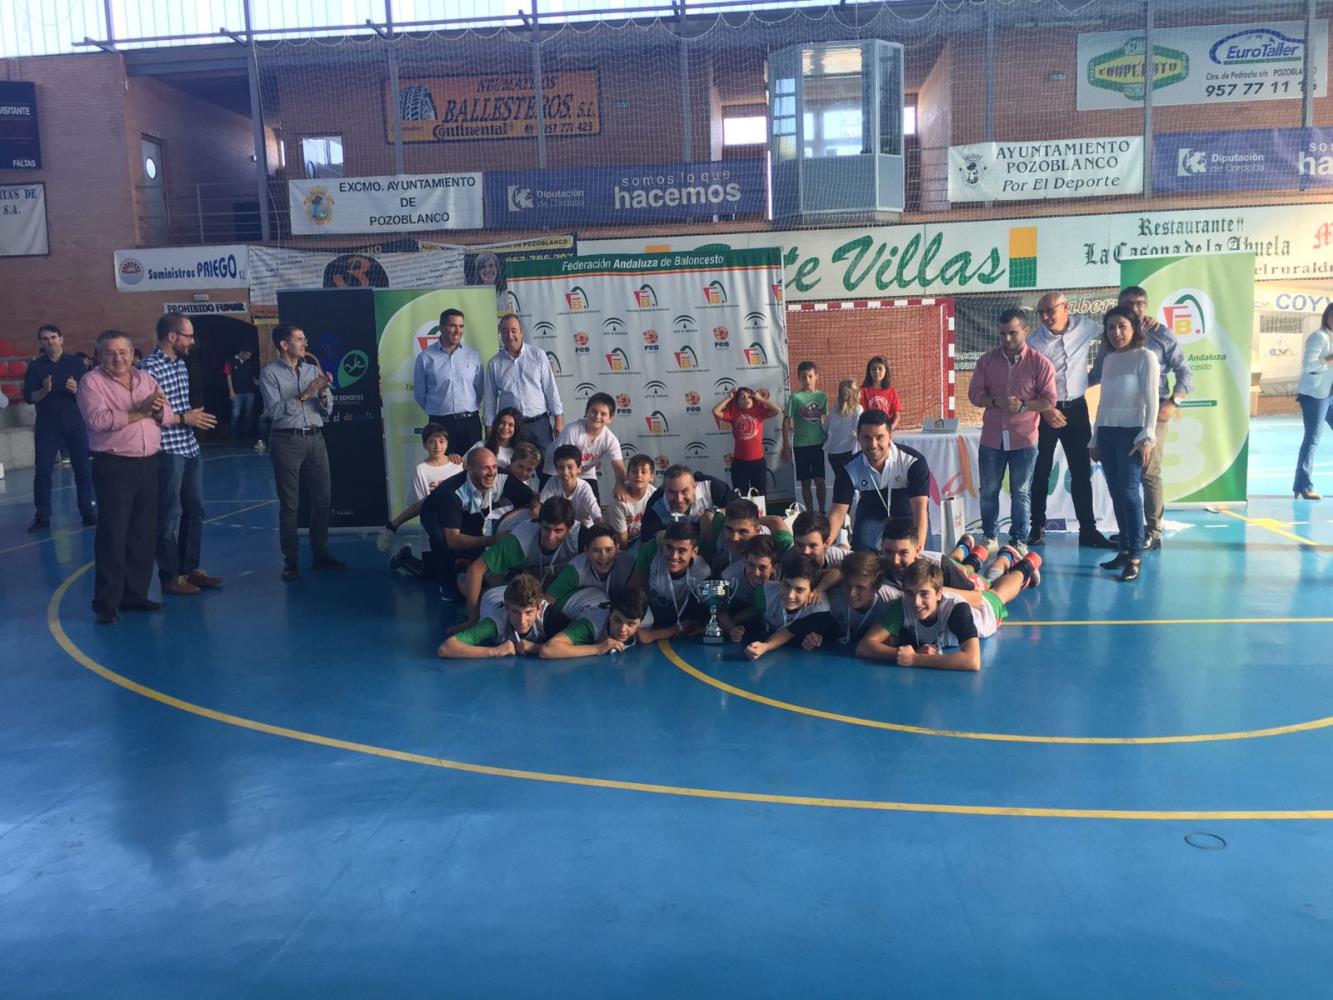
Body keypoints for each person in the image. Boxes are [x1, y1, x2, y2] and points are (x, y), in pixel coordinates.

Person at [77, 330, 177, 624]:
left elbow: (167, 414)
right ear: (99, 356)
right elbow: (99, 421)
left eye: (123, 352)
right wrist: (141, 411)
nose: (118, 358)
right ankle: (107, 603)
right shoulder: (91, 382)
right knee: (113, 534)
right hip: (115, 465)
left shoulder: (146, 379)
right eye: (110, 353)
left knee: (143, 535)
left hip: (149, 462)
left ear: (133, 354)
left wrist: (158, 412)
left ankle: (135, 595)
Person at [1091, 286, 1193, 551]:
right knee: (1121, 484)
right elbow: (1098, 376)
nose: (1134, 308)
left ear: (1145, 306)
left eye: (1138, 304)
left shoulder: (1160, 336)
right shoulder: (1110, 343)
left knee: (1149, 472)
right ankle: (1130, 535)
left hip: (1153, 412)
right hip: (1118, 418)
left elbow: (1185, 373)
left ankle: (1152, 532)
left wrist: (1174, 401)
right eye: (1128, 304)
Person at [138, 313, 222, 596]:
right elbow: (150, 412)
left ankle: (189, 568)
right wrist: (187, 419)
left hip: (188, 447)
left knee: (195, 509)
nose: (192, 341)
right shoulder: (148, 369)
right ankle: (170, 575)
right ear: (172, 336)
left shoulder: (182, 365)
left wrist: (188, 421)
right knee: (169, 514)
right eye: (188, 335)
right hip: (167, 449)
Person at [1026, 292, 1115, 548]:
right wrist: (1045, 410)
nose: (1045, 317)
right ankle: (1036, 527)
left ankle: (1088, 530)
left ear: (1066, 308)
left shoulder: (1085, 326)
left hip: (1077, 409)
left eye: (1050, 310)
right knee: (1040, 471)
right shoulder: (1034, 342)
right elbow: (1028, 383)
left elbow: (1113, 331)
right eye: (1040, 312)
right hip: (1045, 412)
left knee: (1080, 471)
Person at [258, 324, 345, 581]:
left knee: (323, 499)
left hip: (316, 438)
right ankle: (291, 560)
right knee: (290, 504)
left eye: (304, 339)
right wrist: (305, 395)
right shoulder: (270, 374)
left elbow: (328, 409)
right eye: (299, 339)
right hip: (287, 441)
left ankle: (321, 554)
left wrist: (324, 394)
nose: (304, 343)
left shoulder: (311, 370)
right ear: (284, 344)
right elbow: (273, 412)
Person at [966, 307, 1057, 552]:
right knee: (989, 491)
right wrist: (996, 401)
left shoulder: (1040, 364)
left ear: (1026, 331)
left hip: (1025, 440)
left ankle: (1018, 540)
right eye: (1003, 334)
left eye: (1013, 333)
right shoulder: (986, 361)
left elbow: (1049, 400)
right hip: (992, 439)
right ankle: (989, 537)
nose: (1007, 339)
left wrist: (1024, 405)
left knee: (1021, 492)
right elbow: (974, 395)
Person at [857, 554, 1038, 671]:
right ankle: (990, 556)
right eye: (910, 593)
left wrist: (915, 659)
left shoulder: (956, 610)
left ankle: (1026, 565)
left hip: (985, 611)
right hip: (960, 597)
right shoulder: (903, 605)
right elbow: (864, 646)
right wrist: (899, 652)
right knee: (986, 579)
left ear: (938, 594)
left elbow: (972, 661)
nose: (916, 602)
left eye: (924, 594)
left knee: (998, 593)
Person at [1089, 306, 1159, 582]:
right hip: (1107, 432)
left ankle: (1135, 556)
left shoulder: (1146, 357)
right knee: (1116, 494)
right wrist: (1095, 437)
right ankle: (1124, 549)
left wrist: (1147, 436)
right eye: (1111, 328)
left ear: (1134, 328)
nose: (1116, 333)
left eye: (1122, 327)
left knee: (1130, 493)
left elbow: (1153, 400)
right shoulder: (1108, 360)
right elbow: (1104, 401)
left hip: (1132, 435)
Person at [414, 446, 536, 597]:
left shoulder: (502, 478)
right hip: (434, 513)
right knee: (442, 543)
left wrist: (536, 509)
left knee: (474, 545)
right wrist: (494, 540)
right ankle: (443, 579)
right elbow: (453, 539)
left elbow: (533, 499)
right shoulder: (452, 493)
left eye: (494, 467)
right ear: (469, 469)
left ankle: (469, 567)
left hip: (466, 512)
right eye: (485, 468)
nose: (492, 473)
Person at [460, 496, 583, 626]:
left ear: (569, 529)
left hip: (536, 566)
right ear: (539, 524)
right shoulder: (520, 540)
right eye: (546, 528)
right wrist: (473, 618)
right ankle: (462, 572)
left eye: (558, 530)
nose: (551, 537)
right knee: (474, 582)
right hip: (506, 525)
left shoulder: (580, 536)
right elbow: (476, 569)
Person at [21, 323, 96, 531]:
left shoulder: (76, 364)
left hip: (75, 424)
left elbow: (89, 396)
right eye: (45, 339)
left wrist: (77, 389)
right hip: (47, 427)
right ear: (41, 343)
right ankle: (42, 516)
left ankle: (88, 512)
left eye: (53, 337)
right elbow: (29, 398)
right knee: (43, 471)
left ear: (61, 339)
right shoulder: (36, 367)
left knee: (82, 470)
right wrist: (44, 390)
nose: (50, 341)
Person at [828, 410, 930, 553]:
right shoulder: (848, 468)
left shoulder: (913, 462)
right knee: (863, 563)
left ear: (890, 437)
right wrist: (825, 544)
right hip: (870, 514)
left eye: (879, 437)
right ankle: (843, 542)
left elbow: (920, 510)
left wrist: (918, 548)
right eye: (867, 438)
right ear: (858, 438)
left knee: (915, 560)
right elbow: (838, 512)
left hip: (906, 514)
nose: (873, 444)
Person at [382, 423, 464, 577]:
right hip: (432, 531)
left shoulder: (458, 466)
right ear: (424, 445)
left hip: (456, 527)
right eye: (432, 442)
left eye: (441, 441)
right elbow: (421, 506)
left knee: (454, 568)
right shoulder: (421, 470)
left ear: (447, 443)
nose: (437, 446)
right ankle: (404, 558)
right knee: (429, 575)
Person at [483, 313, 563, 454]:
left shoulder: (538, 355)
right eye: (505, 331)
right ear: (500, 334)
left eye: (514, 330)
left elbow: (551, 389)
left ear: (521, 332)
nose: (510, 335)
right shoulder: (494, 363)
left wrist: (558, 420)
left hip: (540, 424)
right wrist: (489, 430)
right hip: (511, 428)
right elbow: (490, 401)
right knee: (515, 470)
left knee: (546, 469)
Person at [437, 573, 568, 660]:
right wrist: (495, 651)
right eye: (516, 612)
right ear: (507, 608)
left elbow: (582, 638)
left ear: (539, 608)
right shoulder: (493, 623)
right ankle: (461, 572)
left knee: (496, 580)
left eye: (528, 613)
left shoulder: (549, 615)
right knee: (467, 589)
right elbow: (445, 648)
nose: (522, 621)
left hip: (505, 591)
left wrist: (536, 647)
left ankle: (490, 575)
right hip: (488, 596)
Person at [413, 308, 484, 456]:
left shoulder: (473, 355)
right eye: (453, 325)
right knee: (444, 470)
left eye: (461, 326)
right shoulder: (425, 358)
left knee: (473, 468)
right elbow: (420, 394)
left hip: (469, 423)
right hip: (440, 423)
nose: (458, 330)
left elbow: (479, 389)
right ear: (441, 327)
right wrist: (440, 409)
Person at [740, 552, 835, 661]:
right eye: (786, 585)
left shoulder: (819, 610)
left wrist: (765, 647)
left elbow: (787, 633)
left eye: (799, 590)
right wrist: (732, 626)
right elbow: (754, 611)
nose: (790, 595)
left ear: (812, 592)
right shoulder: (765, 593)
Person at [540, 586, 674, 658]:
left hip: (596, 594)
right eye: (617, 620)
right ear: (610, 614)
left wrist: (654, 634)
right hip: (566, 603)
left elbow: (670, 629)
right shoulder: (592, 624)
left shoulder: (647, 619)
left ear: (641, 622)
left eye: (631, 624)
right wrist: (598, 648)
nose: (622, 629)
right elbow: (548, 650)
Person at [628, 520, 710, 637]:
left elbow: (694, 620)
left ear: (694, 552)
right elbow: (633, 590)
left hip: (679, 619)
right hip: (649, 613)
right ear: (662, 544)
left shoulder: (702, 571)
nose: (674, 556)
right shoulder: (652, 551)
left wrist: (654, 635)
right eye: (669, 547)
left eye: (682, 550)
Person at [543, 392, 625, 501]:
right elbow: (561, 462)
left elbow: (619, 468)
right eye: (594, 411)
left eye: (603, 414)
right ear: (586, 412)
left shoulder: (610, 439)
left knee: (594, 507)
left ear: (610, 418)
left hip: (585, 472)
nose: (597, 416)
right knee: (554, 509)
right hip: (557, 470)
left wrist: (620, 485)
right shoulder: (571, 431)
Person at [1293, 303, 1333, 500]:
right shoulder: (1319, 337)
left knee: (1313, 440)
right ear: (1327, 318)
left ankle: (1303, 485)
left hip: (1331, 395)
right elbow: (1308, 365)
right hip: (1315, 395)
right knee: (1312, 440)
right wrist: (1329, 359)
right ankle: (1303, 486)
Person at [544, 524, 636, 610]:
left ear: (617, 549)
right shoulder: (576, 569)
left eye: (609, 550)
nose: (603, 556)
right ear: (586, 551)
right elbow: (549, 599)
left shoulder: (629, 565)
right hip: (575, 607)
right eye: (596, 550)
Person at [638, 463, 737, 541]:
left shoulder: (711, 486)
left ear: (695, 487)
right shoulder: (655, 504)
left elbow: (744, 509)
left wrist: (717, 513)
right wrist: (658, 537)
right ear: (664, 489)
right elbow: (645, 543)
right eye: (672, 492)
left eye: (685, 491)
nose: (679, 499)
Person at [712, 385, 779, 497]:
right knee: (740, 495)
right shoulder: (733, 414)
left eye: (749, 397)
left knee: (760, 495)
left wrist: (760, 399)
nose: (746, 399)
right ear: (737, 401)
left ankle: (759, 515)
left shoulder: (759, 411)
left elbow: (777, 410)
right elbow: (715, 411)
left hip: (758, 462)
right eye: (742, 397)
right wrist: (729, 397)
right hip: (740, 463)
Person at [782, 361, 828, 512]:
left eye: (810, 376)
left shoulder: (822, 396)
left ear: (816, 377)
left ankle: (821, 511)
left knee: (820, 481)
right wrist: (786, 445)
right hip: (801, 445)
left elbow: (823, 419)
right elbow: (787, 421)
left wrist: (827, 437)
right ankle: (810, 512)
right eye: (803, 377)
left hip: (818, 444)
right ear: (799, 378)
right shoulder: (795, 398)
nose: (807, 380)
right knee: (805, 482)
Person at [717, 534, 780, 642]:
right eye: (751, 565)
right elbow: (718, 610)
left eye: (762, 567)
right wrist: (731, 628)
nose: (756, 573)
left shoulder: (784, 579)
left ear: (774, 568)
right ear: (744, 561)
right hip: (740, 610)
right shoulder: (729, 577)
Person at [606, 453, 655, 549]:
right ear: (627, 475)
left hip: (643, 539)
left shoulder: (655, 495)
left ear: (651, 477)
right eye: (634, 472)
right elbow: (622, 541)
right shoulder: (619, 500)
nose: (639, 475)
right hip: (618, 543)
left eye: (643, 472)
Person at [825, 378, 863, 480]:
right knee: (851, 483)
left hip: (833, 452)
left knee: (840, 481)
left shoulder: (835, 408)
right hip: (848, 451)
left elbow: (826, 427)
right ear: (856, 393)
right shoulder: (858, 409)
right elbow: (859, 431)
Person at [469, 406, 526, 471]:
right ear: (496, 424)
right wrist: (457, 459)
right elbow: (464, 464)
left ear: (516, 429)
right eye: (502, 423)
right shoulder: (481, 445)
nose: (505, 427)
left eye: (510, 425)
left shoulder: (520, 452)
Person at [224, 347, 260, 442]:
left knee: (248, 415)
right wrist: (231, 391)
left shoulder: (250, 362)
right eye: (247, 355)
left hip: (249, 392)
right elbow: (228, 376)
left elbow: (253, 377)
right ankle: (233, 437)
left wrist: (257, 383)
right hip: (237, 393)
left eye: (250, 355)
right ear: (242, 352)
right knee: (235, 415)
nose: (248, 357)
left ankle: (247, 437)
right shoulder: (230, 361)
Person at [859, 356, 902, 427]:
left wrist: (890, 429)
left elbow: (897, 416)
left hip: (884, 429)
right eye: (873, 369)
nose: (877, 371)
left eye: (880, 368)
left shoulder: (891, 391)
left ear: (886, 371)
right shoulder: (861, 391)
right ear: (869, 371)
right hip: (867, 429)